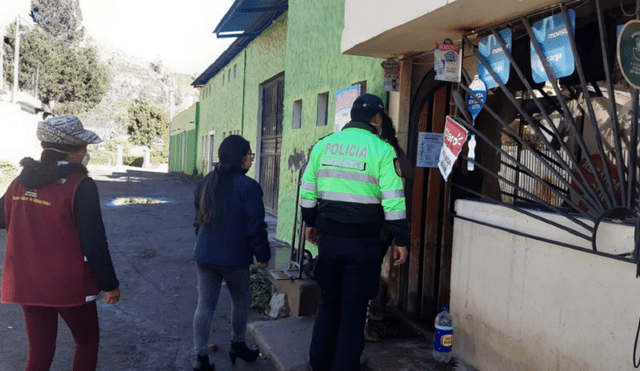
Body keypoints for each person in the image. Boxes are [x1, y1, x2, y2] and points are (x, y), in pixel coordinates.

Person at [0, 115, 121, 371]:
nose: (86, 153)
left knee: (40, 352)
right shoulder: (81, 185)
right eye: (84, 148)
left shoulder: (19, 182)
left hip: (26, 282)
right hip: (68, 284)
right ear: (74, 152)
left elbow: (2, 218)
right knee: (87, 342)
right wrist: (109, 285)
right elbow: (94, 243)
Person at [300, 94, 410, 371]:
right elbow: (394, 200)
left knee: (328, 303)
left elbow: (307, 190)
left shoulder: (324, 145)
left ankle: (319, 363)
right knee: (353, 309)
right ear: (377, 118)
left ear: (352, 117)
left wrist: (309, 223)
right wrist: (401, 239)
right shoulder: (384, 151)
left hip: (330, 241)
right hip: (365, 244)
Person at [191, 135, 271, 371]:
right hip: (235, 258)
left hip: (205, 255)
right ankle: (238, 344)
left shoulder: (205, 182)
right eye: (249, 154)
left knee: (204, 306)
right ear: (241, 158)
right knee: (241, 301)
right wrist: (262, 255)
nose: (251, 159)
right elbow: (255, 226)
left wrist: (204, 243)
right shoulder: (249, 187)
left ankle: (200, 358)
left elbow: (198, 219)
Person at [364, 111, 415, 342]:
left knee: (368, 271)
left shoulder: (378, 148)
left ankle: (368, 318)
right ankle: (369, 316)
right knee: (370, 270)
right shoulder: (390, 149)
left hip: (374, 223)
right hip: (383, 224)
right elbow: (409, 173)